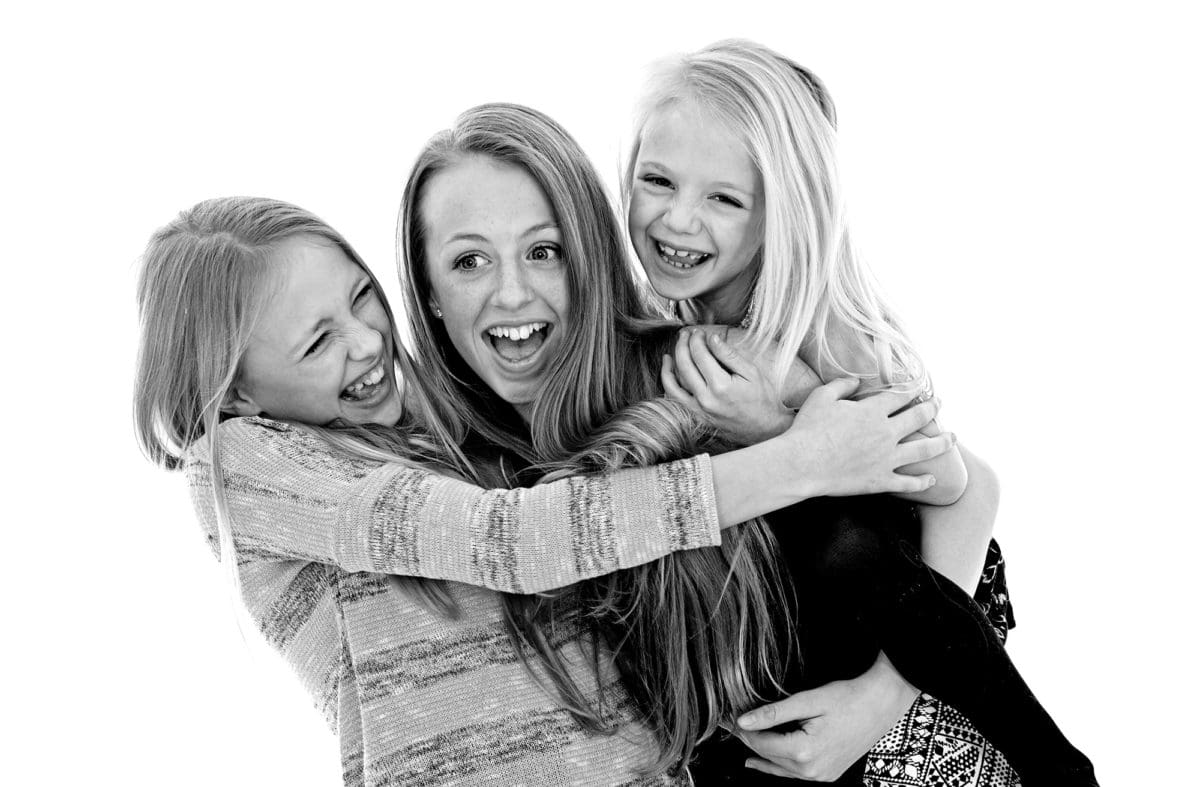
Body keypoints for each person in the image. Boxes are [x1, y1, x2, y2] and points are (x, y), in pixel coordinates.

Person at [132, 196, 949, 786]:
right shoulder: (242, 463)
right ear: (235, 390)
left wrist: (887, 693)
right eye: (318, 341)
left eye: (359, 296)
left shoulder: (449, 428)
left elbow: (956, 483)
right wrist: (803, 458)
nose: (367, 342)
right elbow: (515, 542)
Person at [401, 102, 1096, 785]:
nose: (513, 292)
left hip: (925, 744)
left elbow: (956, 496)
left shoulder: (712, 369)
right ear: (429, 289)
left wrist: (880, 702)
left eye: (544, 251)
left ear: (585, 258)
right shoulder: (452, 483)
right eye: (469, 261)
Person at [622, 40, 1097, 784]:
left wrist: (790, 422)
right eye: (658, 180)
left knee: (827, 530)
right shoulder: (654, 326)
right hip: (773, 643)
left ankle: (1062, 769)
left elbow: (963, 488)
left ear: (783, 212)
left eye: (724, 198)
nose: (679, 220)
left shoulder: (822, 334)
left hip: (916, 620)